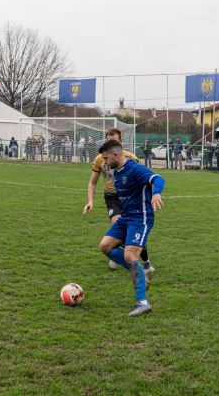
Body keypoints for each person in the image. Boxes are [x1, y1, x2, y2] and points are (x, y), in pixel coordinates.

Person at [96, 139, 165, 316]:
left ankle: (142, 303)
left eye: (106, 158)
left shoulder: (135, 169)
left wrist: (156, 193)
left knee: (129, 255)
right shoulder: (116, 172)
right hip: (126, 218)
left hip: (140, 218)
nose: (104, 162)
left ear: (115, 154)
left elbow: (158, 179)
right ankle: (140, 273)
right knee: (105, 246)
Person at [83, 127, 155, 278]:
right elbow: (92, 182)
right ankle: (127, 260)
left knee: (133, 232)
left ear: (120, 141)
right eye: (108, 140)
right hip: (112, 198)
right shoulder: (100, 159)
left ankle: (145, 261)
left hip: (131, 198)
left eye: (113, 141)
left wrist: (151, 197)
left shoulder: (130, 158)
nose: (110, 143)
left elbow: (142, 179)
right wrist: (90, 201)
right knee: (118, 227)